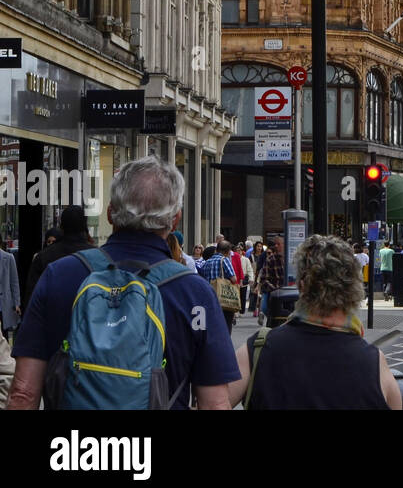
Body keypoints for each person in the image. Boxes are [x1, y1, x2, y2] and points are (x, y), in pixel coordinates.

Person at [7, 156, 239, 409]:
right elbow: (214, 404)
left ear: (109, 214)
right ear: (175, 220)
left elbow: (23, 394)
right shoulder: (195, 293)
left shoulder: (58, 276)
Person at [229, 234, 401, 410]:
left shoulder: (258, 349)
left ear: (302, 286)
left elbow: (215, 402)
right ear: (353, 288)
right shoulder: (374, 363)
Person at [24, 208, 95, 305]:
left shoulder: (44, 257)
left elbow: (31, 299)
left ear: (61, 226)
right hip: (88, 315)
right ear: (85, 227)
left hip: (52, 316)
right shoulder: (97, 257)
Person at [199, 240, 239, 334]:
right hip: (223, 298)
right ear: (227, 251)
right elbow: (233, 279)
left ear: (216, 249)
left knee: (213, 325)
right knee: (226, 324)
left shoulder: (206, 262)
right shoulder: (224, 260)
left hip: (209, 297)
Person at [257, 235, 286, 325]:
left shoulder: (291, 259)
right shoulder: (270, 259)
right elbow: (264, 279)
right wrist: (275, 289)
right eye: (275, 244)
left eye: (278, 244)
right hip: (274, 293)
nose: (276, 246)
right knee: (268, 311)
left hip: (288, 293)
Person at [0, 244, 19, 345]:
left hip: (4, 304)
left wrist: (17, 303)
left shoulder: (8, 258)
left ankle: (4, 358)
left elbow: (14, 282)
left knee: (5, 334)